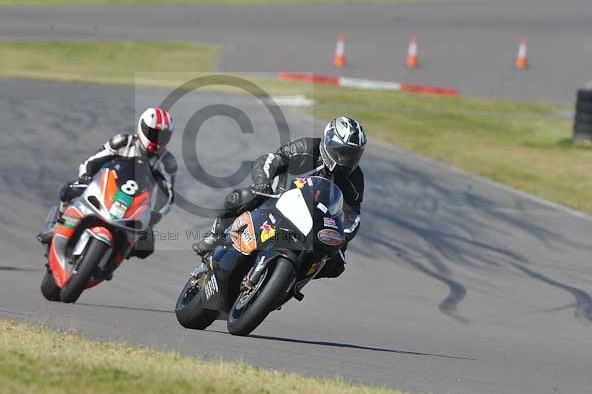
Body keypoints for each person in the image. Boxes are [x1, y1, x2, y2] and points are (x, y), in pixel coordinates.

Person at [191, 116, 367, 280]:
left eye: (353, 154)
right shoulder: (308, 149)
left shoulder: (354, 179)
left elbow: (353, 216)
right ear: (329, 144)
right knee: (243, 197)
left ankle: (288, 283)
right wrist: (263, 183)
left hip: (315, 221)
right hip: (279, 198)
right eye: (343, 152)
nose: (347, 159)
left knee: (336, 264)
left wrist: (342, 236)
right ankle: (215, 236)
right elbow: (271, 159)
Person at [37, 107, 177, 261]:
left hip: (138, 204)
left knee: (146, 246)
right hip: (107, 188)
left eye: (163, 136)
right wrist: (85, 177)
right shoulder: (123, 142)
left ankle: (115, 255)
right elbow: (92, 161)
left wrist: (156, 215)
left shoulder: (167, 163)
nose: (157, 140)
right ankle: (57, 224)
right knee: (69, 190)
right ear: (142, 127)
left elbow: (168, 196)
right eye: (154, 134)